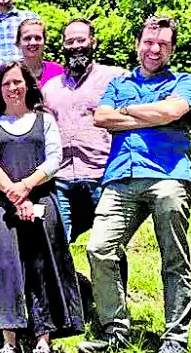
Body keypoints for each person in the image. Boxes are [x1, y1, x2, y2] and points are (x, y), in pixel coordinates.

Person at [81, 17, 191, 353]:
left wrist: (129, 111)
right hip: (120, 176)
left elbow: (174, 110)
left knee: (173, 258)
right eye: (149, 42)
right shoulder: (118, 82)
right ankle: (115, 333)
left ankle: (175, 338)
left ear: (172, 49)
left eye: (162, 44)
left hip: (170, 176)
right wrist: (155, 114)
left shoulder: (183, 81)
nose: (154, 49)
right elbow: (101, 118)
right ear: (138, 44)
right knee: (99, 249)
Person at [0, 62, 84, 353]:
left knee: (42, 265)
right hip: (2, 205)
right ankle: (8, 339)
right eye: (7, 83)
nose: (13, 88)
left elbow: (53, 160)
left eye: (18, 82)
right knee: (5, 265)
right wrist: (15, 194)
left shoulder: (44, 120)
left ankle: (43, 339)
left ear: (28, 85)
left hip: (41, 200)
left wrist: (26, 187)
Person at [42, 19, 126, 243]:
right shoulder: (50, 88)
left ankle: (112, 280)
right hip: (61, 178)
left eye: (81, 40)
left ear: (93, 42)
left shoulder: (116, 78)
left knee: (107, 246)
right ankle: (70, 280)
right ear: (62, 45)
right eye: (70, 41)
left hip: (102, 174)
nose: (76, 46)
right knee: (58, 243)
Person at [16, 18, 63, 86]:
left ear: (45, 41)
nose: (33, 42)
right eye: (27, 38)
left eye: (38, 38)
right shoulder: (11, 73)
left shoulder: (57, 71)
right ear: (18, 43)